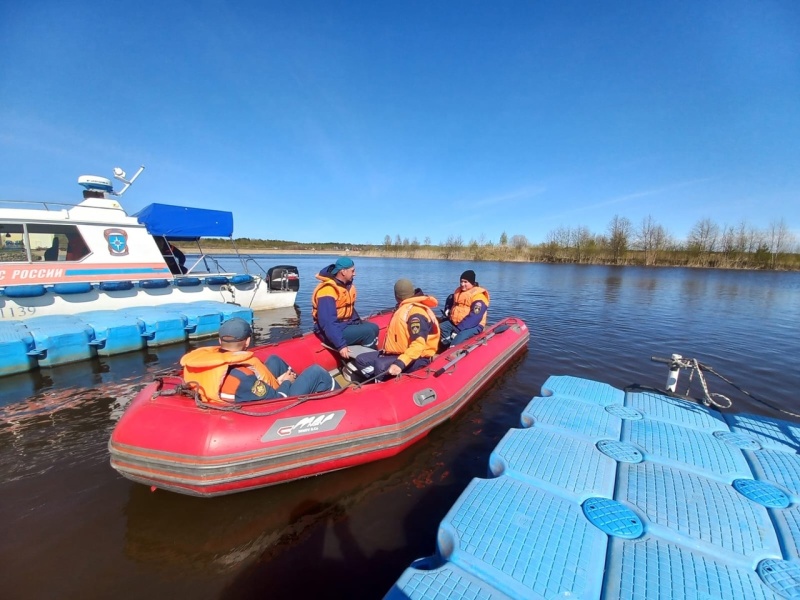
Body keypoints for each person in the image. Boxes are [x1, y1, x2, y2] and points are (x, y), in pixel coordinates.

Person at [180, 318, 338, 403]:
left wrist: (279, 380)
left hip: (242, 392)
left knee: (274, 361)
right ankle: (343, 399)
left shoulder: (208, 365)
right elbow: (279, 401)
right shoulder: (242, 377)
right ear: (247, 341)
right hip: (277, 403)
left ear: (220, 341)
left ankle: (304, 392)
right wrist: (287, 382)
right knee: (316, 372)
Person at [352, 279, 440, 381]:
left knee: (380, 365)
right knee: (361, 360)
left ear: (396, 295)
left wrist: (400, 363)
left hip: (416, 357)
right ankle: (383, 380)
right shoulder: (403, 308)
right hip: (395, 353)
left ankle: (382, 388)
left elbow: (418, 344)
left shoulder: (416, 314)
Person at [312, 257, 379, 359]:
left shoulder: (346, 286)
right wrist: (341, 345)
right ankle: (369, 364)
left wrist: (358, 323)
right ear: (343, 272)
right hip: (328, 331)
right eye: (352, 271)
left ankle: (364, 357)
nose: (355, 273)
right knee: (368, 333)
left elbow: (349, 309)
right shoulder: (327, 291)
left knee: (374, 327)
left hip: (344, 324)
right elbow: (328, 322)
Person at [439, 269, 490, 349]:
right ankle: (446, 344)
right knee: (439, 328)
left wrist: (458, 329)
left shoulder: (479, 297)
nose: (462, 284)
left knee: (455, 343)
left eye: (465, 282)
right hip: (456, 322)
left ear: (472, 282)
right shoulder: (459, 292)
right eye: (461, 281)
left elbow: (475, 317)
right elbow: (453, 300)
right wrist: (448, 309)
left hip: (473, 325)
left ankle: (453, 348)